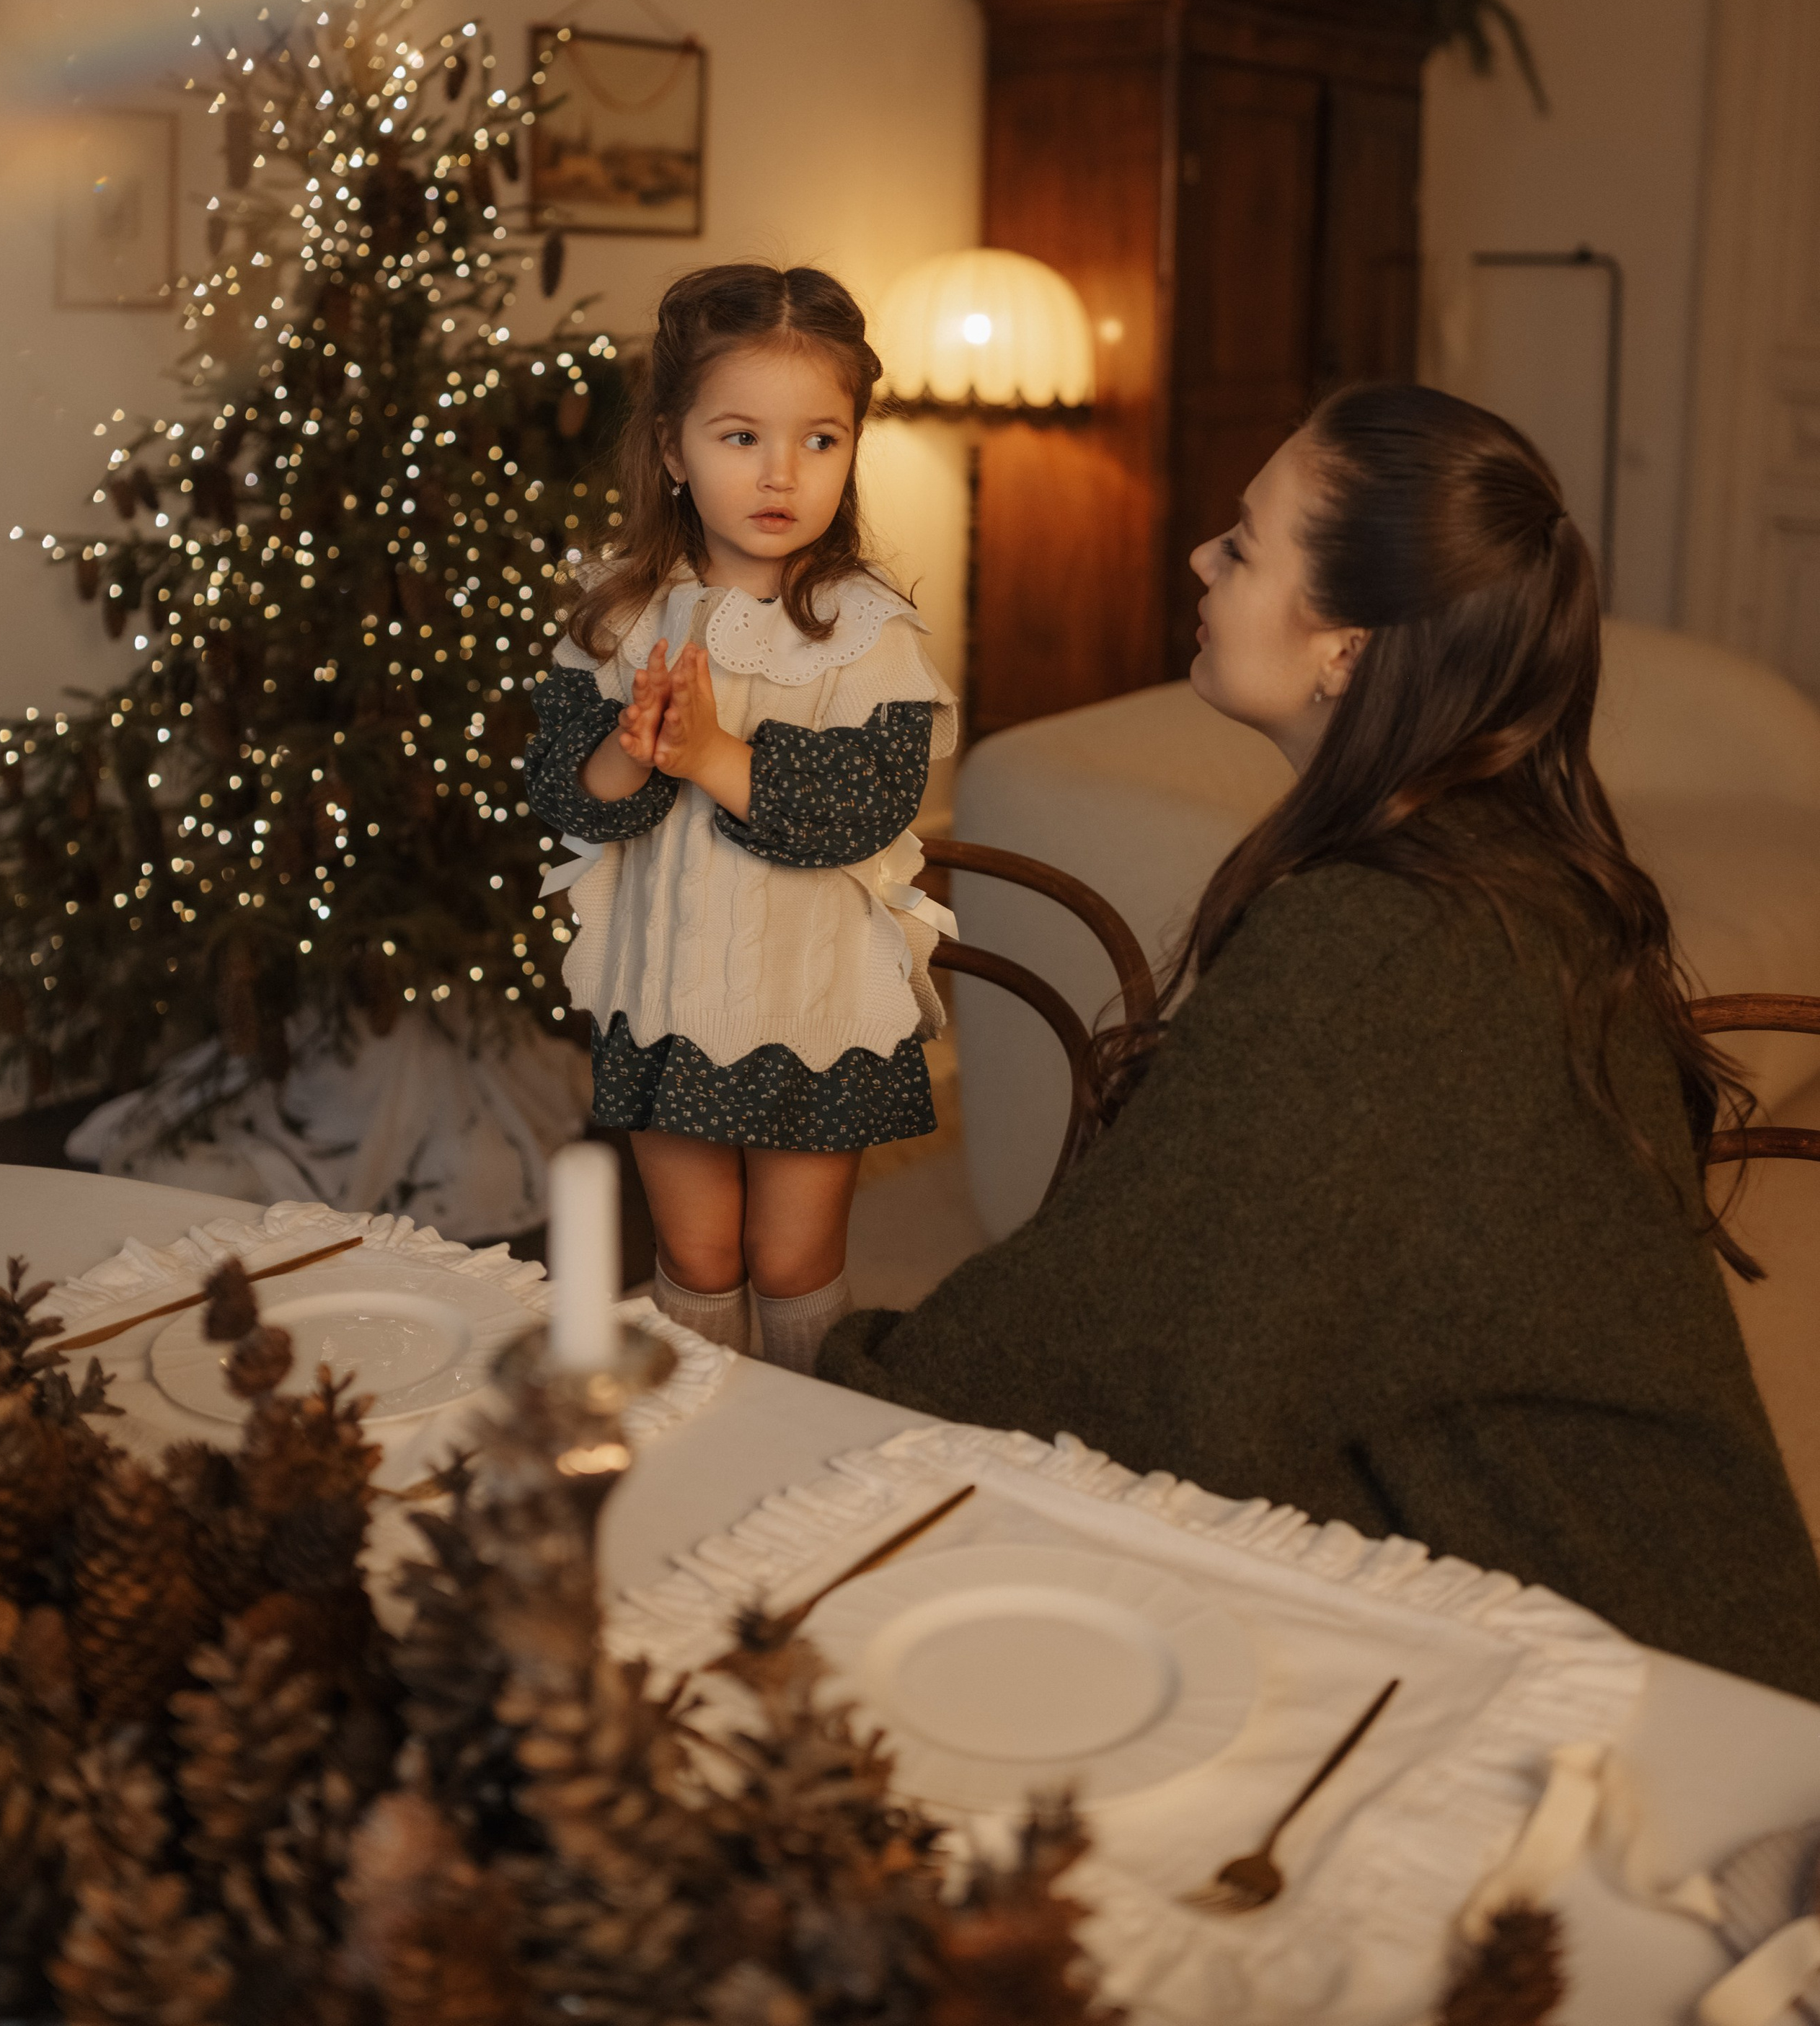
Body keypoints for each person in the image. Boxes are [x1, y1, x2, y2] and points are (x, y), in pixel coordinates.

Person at [821, 384, 1820, 1699]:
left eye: (1242, 544)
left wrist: (838, 1385)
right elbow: (1229, 1270)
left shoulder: (1384, 935)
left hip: (1618, 1649)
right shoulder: (1486, 861)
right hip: (1658, 1582)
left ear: (1345, 646)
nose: (1201, 559)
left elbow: (1141, 1340)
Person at [526, 263, 956, 1374]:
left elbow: (865, 809)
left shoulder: (868, 633)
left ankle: (804, 1436)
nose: (782, 472)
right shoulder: (618, 619)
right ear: (671, 448)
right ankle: (704, 1440)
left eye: (821, 438)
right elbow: (564, 798)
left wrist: (715, 753)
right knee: (699, 1251)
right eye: (739, 437)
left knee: (791, 1255)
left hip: (813, 996)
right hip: (666, 988)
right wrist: (637, 755)